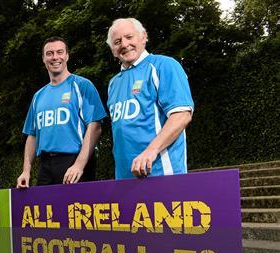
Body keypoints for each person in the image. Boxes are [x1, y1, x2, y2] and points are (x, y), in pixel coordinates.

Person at [106, 18, 194, 179]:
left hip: (161, 172)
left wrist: (150, 150)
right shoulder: (113, 83)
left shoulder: (164, 65)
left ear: (143, 37)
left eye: (129, 37)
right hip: (125, 178)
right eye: (117, 41)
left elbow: (181, 115)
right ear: (113, 50)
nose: (124, 44)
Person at [16, 36, 108, 187]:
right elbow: (32, 136)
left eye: (59, 52)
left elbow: (95, 127)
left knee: (77, 210)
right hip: (45, 165)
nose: (55, 57)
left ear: (67, 56)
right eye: (50, 53)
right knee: (46, 210)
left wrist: (79, 165)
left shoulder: (82, 86)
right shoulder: (38, 96)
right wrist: (26, 171)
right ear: (43, 58)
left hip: (75, 162)